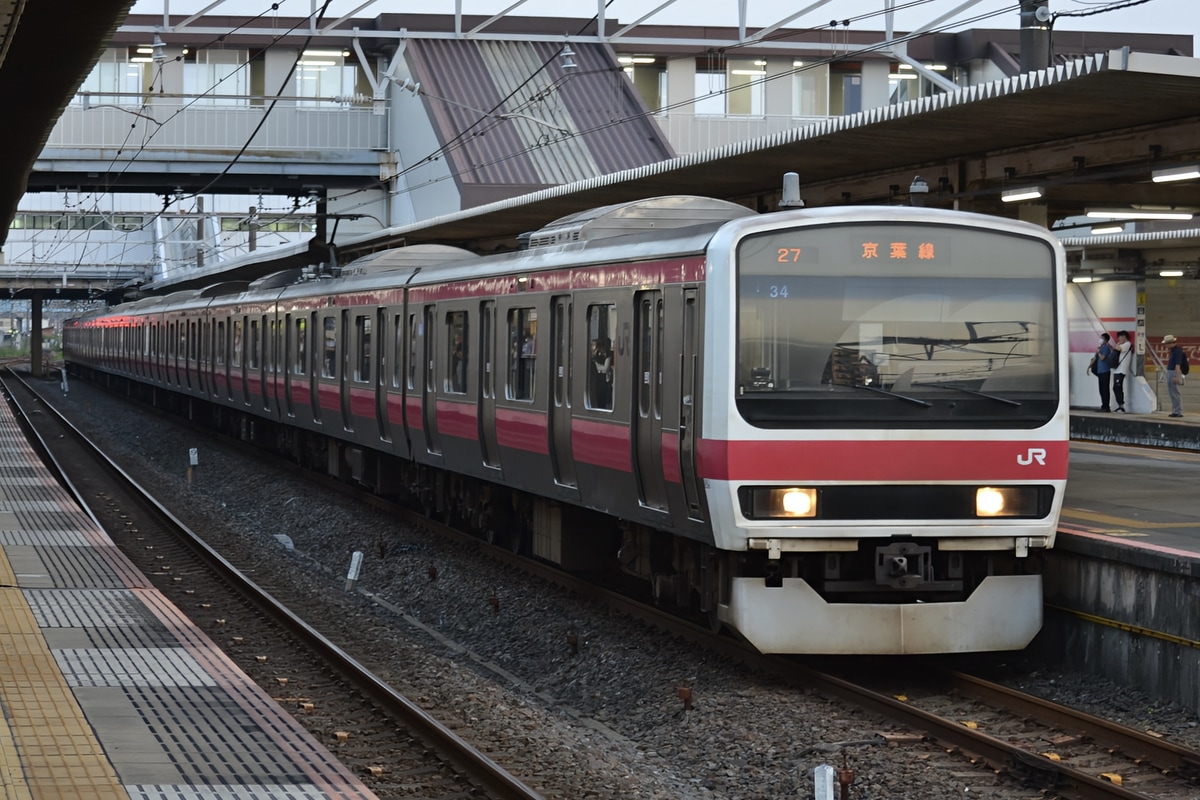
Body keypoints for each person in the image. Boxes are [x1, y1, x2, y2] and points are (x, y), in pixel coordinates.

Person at [1164, 334, 1185, 417]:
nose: (1165, 345)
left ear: (1170, 343)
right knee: (1172, 392)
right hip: (1171, 371)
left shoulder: (1177, 351)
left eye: (1166, 344)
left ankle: (1178, 411)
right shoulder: (1174, 351)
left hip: (1173, 372)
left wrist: (1176, 376)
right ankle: (1175, 410)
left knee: (1175, 392)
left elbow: (1177, 364)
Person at [1093, 332, 1115, 412]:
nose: (1100, 340)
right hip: (1100, 371)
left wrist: (1099, 352)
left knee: (1105, 389)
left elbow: (1102, 358)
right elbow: (1095, 358)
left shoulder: (1106, 348)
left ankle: (1106, 406)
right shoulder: (1101, 347)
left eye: (1102, 338)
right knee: (1101, 389)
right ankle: (1103, 405)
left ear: (1106, 340)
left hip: (1105, 371)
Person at [1112, 330, 1132, 412]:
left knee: (1117, 387)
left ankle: (1121, 405)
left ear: (1124, 336)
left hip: (1121, 370)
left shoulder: (1127, 344)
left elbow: (1117, 348)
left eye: (1119, 337)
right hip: (1117, 369)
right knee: (1116, 387)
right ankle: (1120, 405)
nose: (1119, 339)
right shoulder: (1125, 344)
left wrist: (1118, 344)